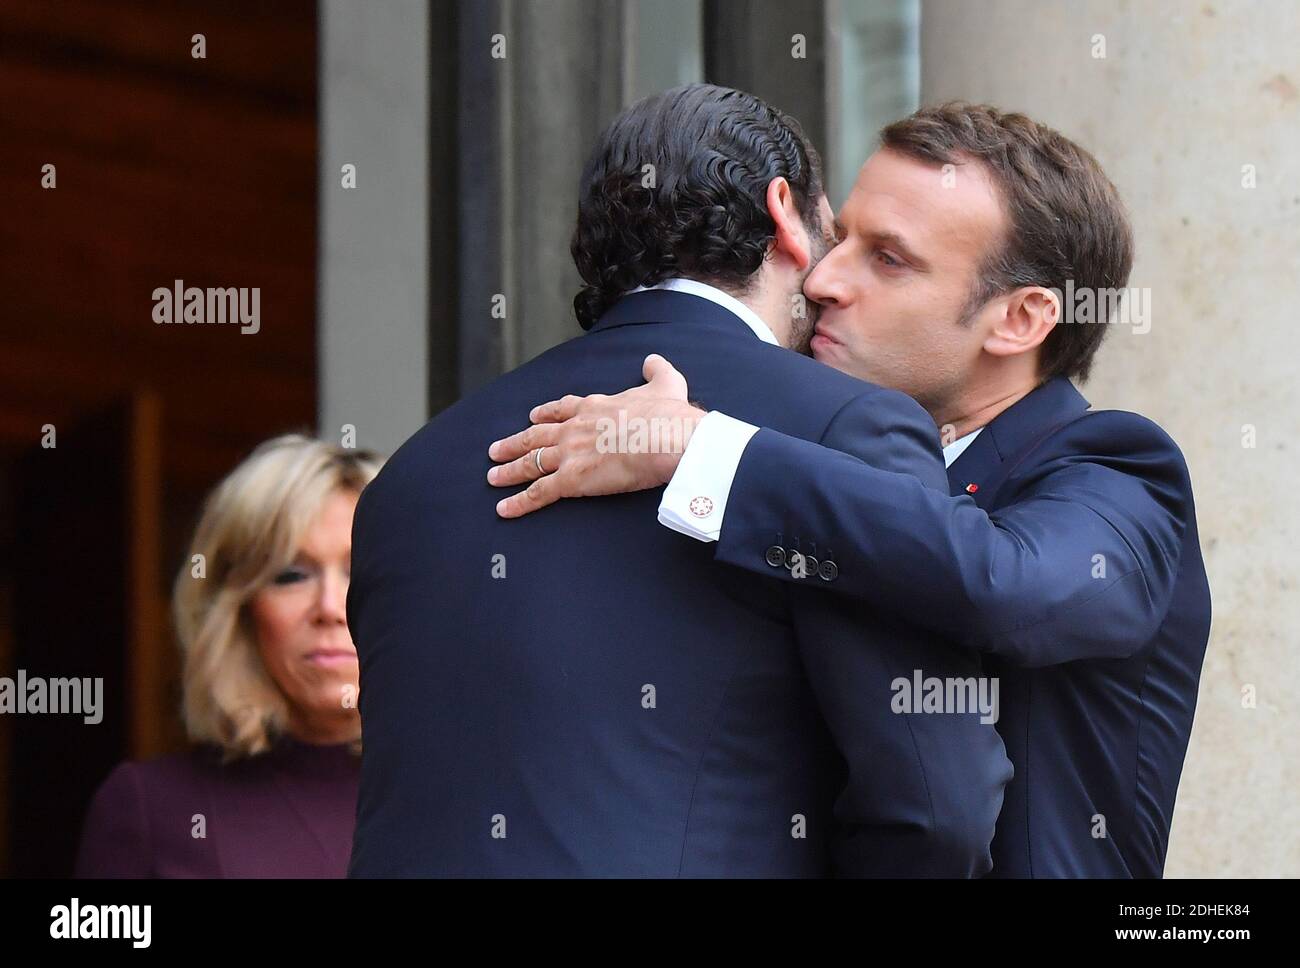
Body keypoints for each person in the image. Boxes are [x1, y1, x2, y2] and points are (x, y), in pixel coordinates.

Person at [488, 103, 1212, 878]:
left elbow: (1007, 582)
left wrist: (706, 451)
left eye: (889, 259)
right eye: (840, 240)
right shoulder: (827, 462)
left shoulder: (1117, 467)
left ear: (1021, 318)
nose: (824, 278)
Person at [348, 84, 1011, 877]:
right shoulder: (846, 427)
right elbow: (939, 807)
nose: (835, 278)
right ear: (784, 214)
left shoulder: (411, 473)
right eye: (832, 234)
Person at [75, 435, 383, 877]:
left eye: (361, 571)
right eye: (291, 575)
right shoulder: (150, 808)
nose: (331, 608)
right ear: (238, 610)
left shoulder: (466, 793)